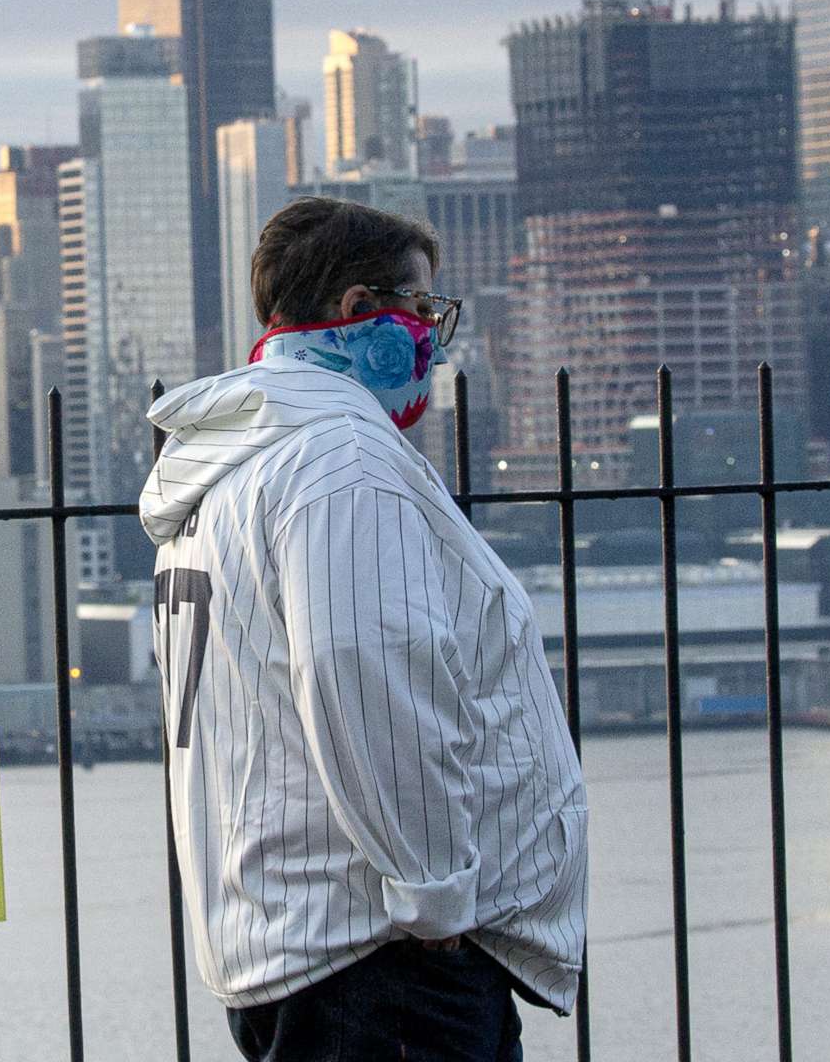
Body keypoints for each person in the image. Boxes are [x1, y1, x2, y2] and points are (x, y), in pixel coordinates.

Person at [141, 196, 586, 1062]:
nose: (433, 338)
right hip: (383, 965)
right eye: (423, 311)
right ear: (355, 311)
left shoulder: (230, 474)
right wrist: (437, 906)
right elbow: (365, 673)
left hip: (299, 944)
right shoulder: (341, 461)